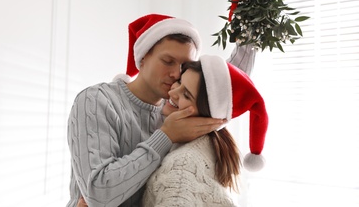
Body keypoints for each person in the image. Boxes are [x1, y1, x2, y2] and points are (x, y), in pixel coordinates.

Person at [67, 14, 228, 207]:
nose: (176, 73)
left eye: (183, 66)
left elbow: (223, 90)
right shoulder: (96, 100)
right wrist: (165, 136)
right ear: (143, 58)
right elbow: (98, 193)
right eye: (168, 61)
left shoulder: (175, 113)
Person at [142, 54, 269, 206]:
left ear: (207, 114)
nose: (172, 92)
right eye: (180, 81)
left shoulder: (182, 165)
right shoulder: (213, 142)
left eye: (186, 95)